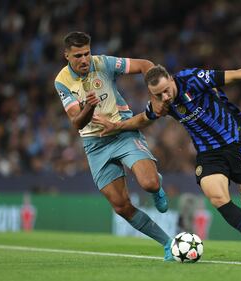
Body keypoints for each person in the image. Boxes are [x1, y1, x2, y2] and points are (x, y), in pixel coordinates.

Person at [93, 60, 241, 262]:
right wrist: (116, 126)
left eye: (166, 90)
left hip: (236, 145)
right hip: (208, 155)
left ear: (171, 80)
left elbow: (235, 74)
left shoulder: (192, 80)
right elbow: (143, 119)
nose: (165, 97)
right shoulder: (161, 105)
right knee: (218, 198)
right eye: (158, 94)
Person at [53, 31, 174, 261]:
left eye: (87, 53)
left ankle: (157, 186)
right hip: (94, 144)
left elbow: (145, 65)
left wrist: (157, 96)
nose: (84, 60)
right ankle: (167, 242)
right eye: (78, 55)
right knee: (121, 206)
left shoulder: (104, 63)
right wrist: (88, 107)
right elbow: (77, 122)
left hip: (121, 131)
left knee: (148, 183)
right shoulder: (62, 81)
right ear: (66, 56)